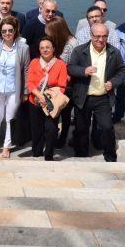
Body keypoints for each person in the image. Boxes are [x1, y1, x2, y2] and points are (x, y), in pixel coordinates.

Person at [68, 23, 125, 162]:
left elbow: (122, 71)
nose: (101, 39)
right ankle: (81, 155)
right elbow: (70, 68)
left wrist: (113, 83)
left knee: (107, 127)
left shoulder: (114, 52)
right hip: (83, 97)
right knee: (81, 129)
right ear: (91, 36)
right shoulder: (79, 50)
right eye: (97, 36)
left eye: (104, 36)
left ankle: (110, 156)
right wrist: (83, 71)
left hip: (103, 98)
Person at [0, 17, 30, 158]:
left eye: (10, 31)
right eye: (4, 31)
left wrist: (25, 91)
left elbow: (26, 70)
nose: (7, 33)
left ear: (15, 31)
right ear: (0, 32)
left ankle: (6, 146)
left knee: (9, 118)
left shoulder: (23, 47)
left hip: (14, 89)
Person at [27, 37, 68, 161]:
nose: (45, 50)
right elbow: (30, 83)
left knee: (51, 129)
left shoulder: (60, 64)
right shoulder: (34, 62)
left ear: (53, 48)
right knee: (36, 129)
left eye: (48, 47)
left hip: (52, 102)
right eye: (42, 48)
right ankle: (37, 153)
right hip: (34, 100)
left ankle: (49, 155)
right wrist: (40, 96)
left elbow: (62, 86)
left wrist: (48, 98)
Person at [45, 16, 77, 149]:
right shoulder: (60, 42)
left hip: (68, 85)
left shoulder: (72, 44)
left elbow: (72, 66)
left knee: (65, 113)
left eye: (50, 33)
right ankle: (55, 135)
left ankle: (63, 137)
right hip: (56, 83)